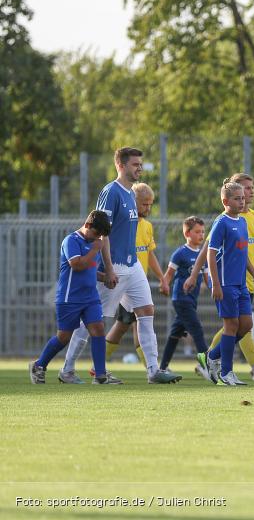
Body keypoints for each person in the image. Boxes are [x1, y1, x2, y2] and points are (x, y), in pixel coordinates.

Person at [60, 148, 180, 384]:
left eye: (140, 164)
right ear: (121, 166)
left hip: (132, 264)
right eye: (135, 164)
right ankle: (68, 369)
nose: (139, 168)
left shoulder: (130, 194)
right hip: (114, 265)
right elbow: (101, 233)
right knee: (92, 320)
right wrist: (108, 269)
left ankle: (153, 370)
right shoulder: (111, 192)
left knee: (147, 311)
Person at [30, 211, 122, 385]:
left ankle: (100, 376)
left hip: (90, 297)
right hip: (69, 298)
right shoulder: (71, 241)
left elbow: (90, 270)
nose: (98, 238)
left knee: (98, 329)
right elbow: (77, 265)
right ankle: (39, 365)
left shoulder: (93, 242)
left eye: (100, 236)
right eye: (96, 234)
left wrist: (106, 278)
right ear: (87, 226)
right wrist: (95, 248)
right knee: (63, 337)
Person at [93, 182, 168, 373]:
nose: (148, 208)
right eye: (144, 204)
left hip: (135, 279)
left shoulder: (147, 227)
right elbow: (105, 240)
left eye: (151, 204)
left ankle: (152, 369)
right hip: (120, 277)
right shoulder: (124, 224)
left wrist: (162, 277)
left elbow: (149, 254)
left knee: (134, 320)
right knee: (104, 321)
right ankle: (88, 366)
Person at [204, 173, 254, 381]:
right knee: (231, 326)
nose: (241, 201)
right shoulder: (221, 223)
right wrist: (215, 283)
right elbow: (211, 254)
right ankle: (226, 373)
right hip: (226, 283)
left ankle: (212, 357)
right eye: (236, 198)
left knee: (246, 325)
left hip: (241, 284)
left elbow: (242, 254)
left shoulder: (241, 222)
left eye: (243, 198)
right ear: (225, 201)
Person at [159, 216, 210, 374]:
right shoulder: (180, 253)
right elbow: (168, 275)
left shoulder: (203, 255)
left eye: (203, 232)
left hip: (192, 301)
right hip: (181, 299)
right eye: (197, 232)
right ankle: (206, 366)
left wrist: (218, 290)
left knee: (175, 334)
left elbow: (209, 280)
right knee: (197, 330)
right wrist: (164, 284)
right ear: (187, 233)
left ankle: (162, 367)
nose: (201, 235)